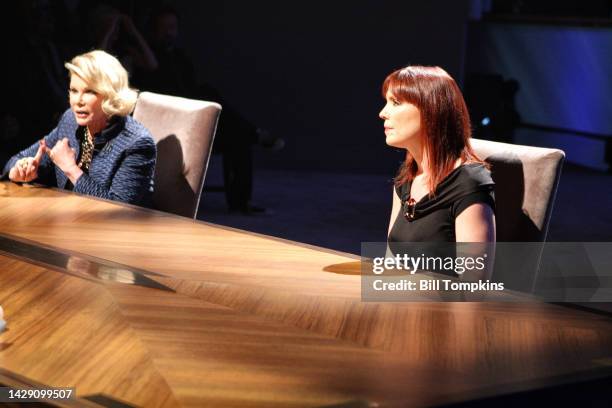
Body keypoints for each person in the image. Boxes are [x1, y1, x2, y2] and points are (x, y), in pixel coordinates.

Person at [2, 50, 156, 206]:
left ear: (111, 95)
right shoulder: (70, 120)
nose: (78, 101)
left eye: (89, 91)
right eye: (74, 91)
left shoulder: (137, 144)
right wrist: (18, 170)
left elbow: (119, 209)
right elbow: (17, 159)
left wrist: (71, 169)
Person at [380, 66, 496, 244]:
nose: (382, 113)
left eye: (395, 103)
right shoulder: (407, 177)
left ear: (431, 110)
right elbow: (391, 263)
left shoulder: (468, 183)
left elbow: (474, 271)